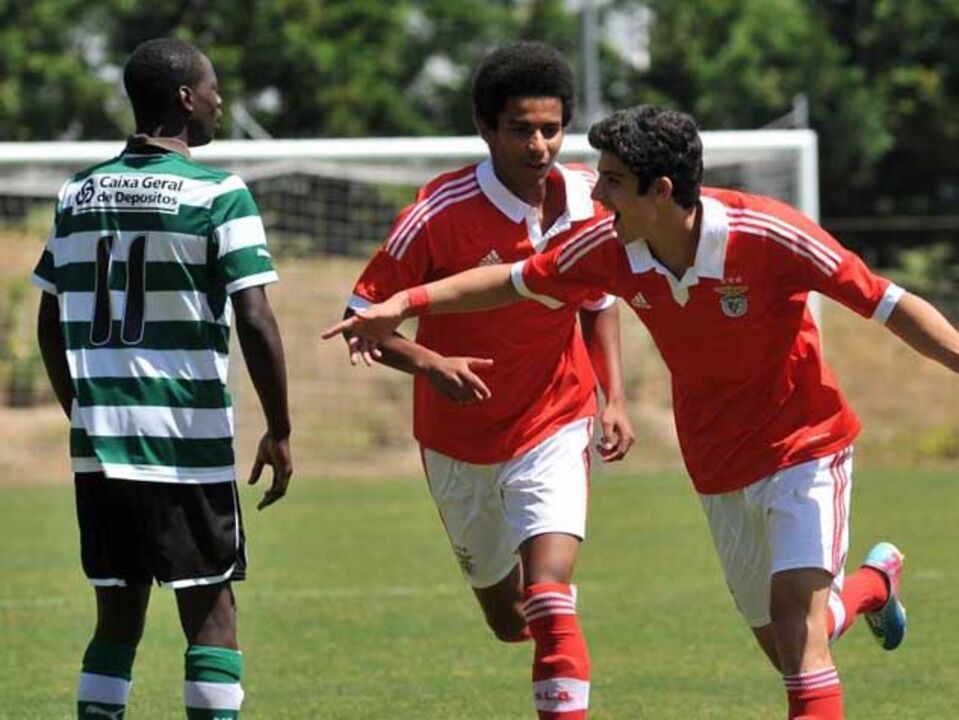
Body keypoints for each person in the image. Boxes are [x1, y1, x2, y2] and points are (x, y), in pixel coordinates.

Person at [325, 105, 959, 719]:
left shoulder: (770, 233)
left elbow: (889, 302)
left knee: (801, 636)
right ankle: (876, 581)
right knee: (790, 643)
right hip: (718, 465)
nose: (595, 194)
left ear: (659, 190)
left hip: (806, 444)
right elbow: (515, 279)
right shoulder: (611, 247)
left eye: (612, 182)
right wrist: (402, 302)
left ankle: (854, 598)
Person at [340, 42, 634, 720]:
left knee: (550, 590)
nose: (538, 146)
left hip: (555, 420)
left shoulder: (593, 199)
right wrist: (431, 365)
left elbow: (596, 302)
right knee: (510, 621)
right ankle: (549, 638)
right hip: (456, 441)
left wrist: (611, 396)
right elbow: (360, 323)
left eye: (551, 129)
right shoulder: (436, 211)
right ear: (485, 127)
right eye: (520, 129)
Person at [32, 38, 292, 719]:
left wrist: (83, 411)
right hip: (185, 441)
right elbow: (257, 319)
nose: (219, 100)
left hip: (100, 445)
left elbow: (47, 323)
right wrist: (281, 428)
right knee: (211, 614)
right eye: (212, 88)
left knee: (115, 620)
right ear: (184, 98)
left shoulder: (78, 193)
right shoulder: (218, 193)